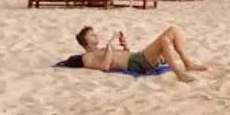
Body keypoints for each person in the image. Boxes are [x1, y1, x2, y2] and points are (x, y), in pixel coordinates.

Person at [72, 23, 207, 82]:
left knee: (173, 30)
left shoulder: (102, 50)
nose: (95, 35)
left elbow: (118, 57)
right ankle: (179, 73)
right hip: (136, 63)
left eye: (94, 33)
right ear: (85, 42)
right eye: (91, 35)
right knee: (164, 40)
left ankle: (188, 63)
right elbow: (105, 66)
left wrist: (125, 47)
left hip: (136, 57)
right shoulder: (87, 57)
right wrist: (110, 45)